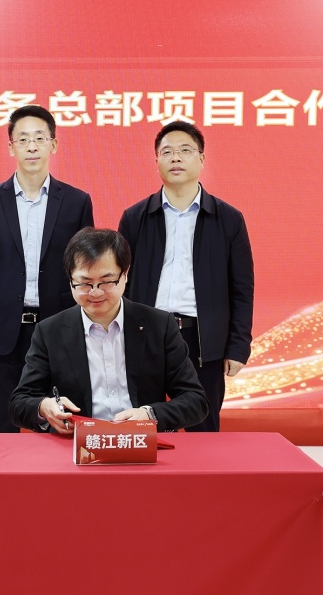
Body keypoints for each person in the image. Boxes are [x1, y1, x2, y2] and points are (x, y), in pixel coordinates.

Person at [0, 105, 94, 432]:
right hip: (1, 327)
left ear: (53, 144)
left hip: (57, 326)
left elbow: (86, 270)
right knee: (1, 418)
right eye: (23, 139)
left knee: (55, 420)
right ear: (11, 148)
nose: (31, 146)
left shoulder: (76, 202)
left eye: (39, 138)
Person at [118, 121, 254, 432]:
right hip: (147, 335)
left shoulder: (228, 219)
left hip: (202, 340)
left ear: (202, 159)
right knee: (143, 428)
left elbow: (241, 289)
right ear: (157, 161)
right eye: (167, 152)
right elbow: (121, 282)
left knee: (202, 430)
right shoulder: (135, 218)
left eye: (185, 150)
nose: (176, 157)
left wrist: (237, 346)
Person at [9, 228, 208, 434]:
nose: (95, 292)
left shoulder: (160, 325)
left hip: (142, 441)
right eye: (85, 283)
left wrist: (150, 415)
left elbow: (196, 401)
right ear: (70, 280)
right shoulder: (50, 332)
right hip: (78, 443)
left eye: (106, 281)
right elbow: (19, 403)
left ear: (125, 275)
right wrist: (43, 407)